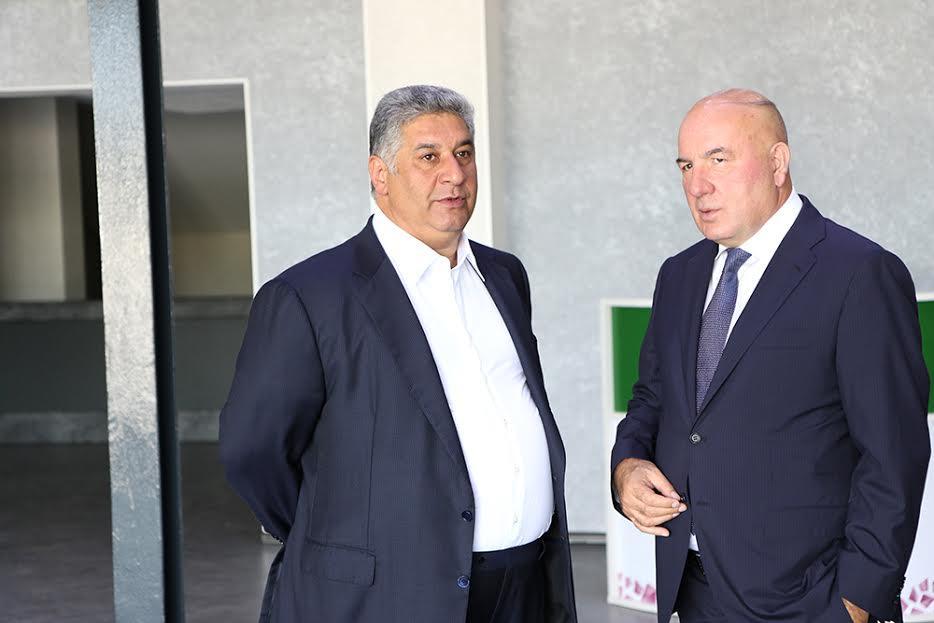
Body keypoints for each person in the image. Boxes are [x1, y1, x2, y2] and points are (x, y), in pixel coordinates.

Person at [220, 85, 577, 623]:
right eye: (428, 157)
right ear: (380, 174)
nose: (454, 174)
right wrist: (333, 532)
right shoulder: (309, 296)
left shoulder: (505, 275)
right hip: (391, 595)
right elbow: (253, 451)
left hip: (524, 585)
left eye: (463, 152)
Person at [611, 88, 930, 623]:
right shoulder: (680, 274)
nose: (697, 185)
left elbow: (894, 456)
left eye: (718, 159)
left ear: (778, 162)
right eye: (686, 165)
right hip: (692, 591)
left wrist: (855, 602)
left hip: (811, 600)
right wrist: (627, 466)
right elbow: (652, 398)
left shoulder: (859, 274)